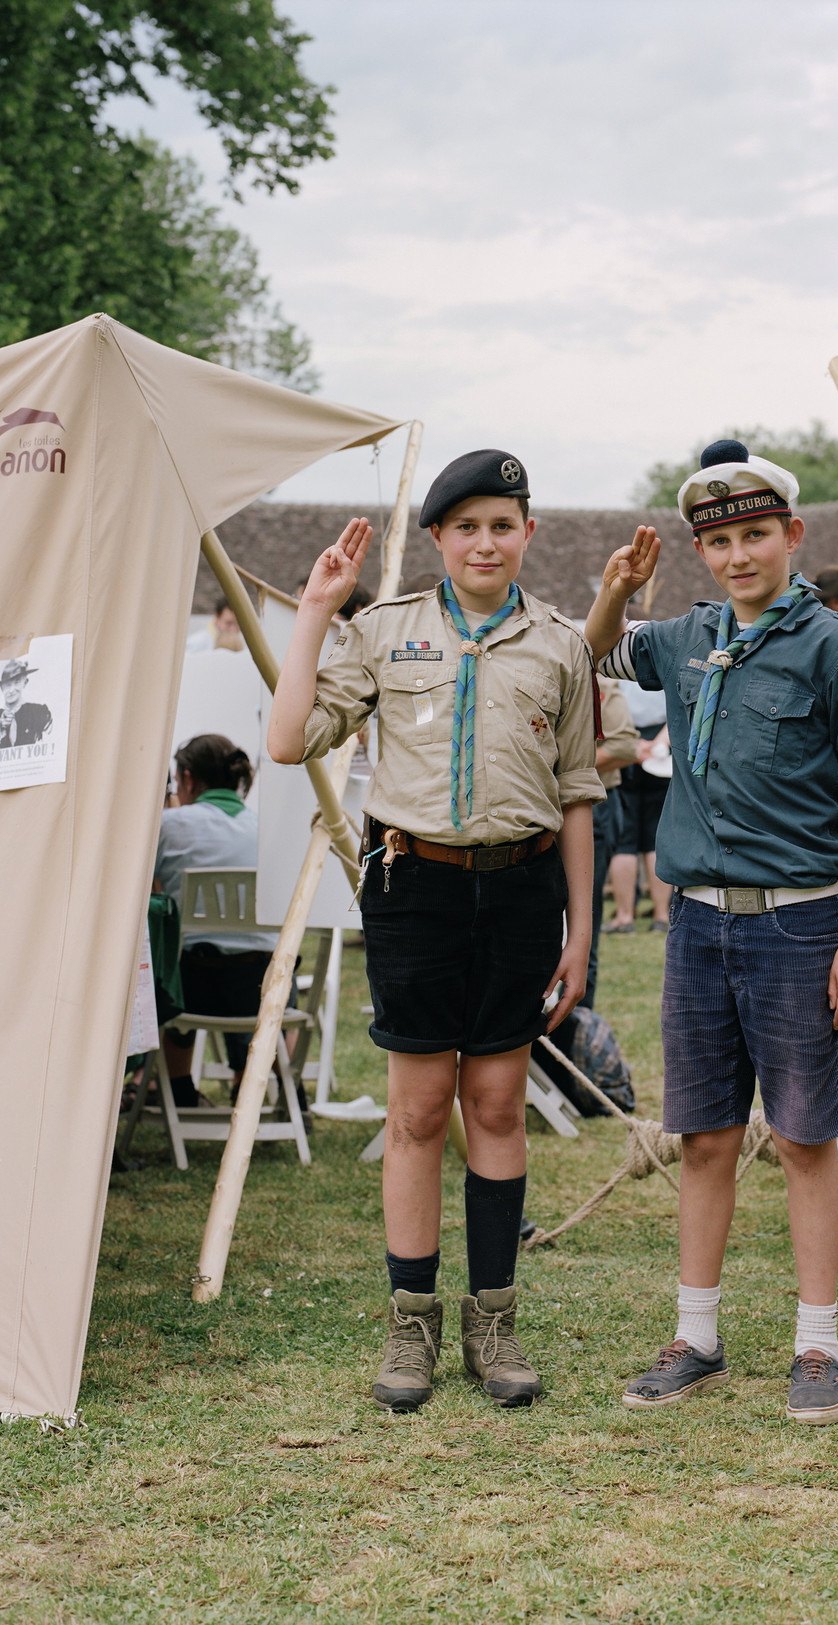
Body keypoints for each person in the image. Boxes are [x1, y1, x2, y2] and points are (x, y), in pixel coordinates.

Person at [267, 449, 603, 1416]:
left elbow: (578, 795)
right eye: (466, 527)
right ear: (439, 540)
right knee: (417, 1112)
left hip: (524, 890)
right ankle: (409, 1324)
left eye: (504, 523)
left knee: (496, 1105)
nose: (486, 541)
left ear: (529, 532)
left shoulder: (561, 645)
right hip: (416, 887)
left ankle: (493, 1323)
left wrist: (581, 928)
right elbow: (290, 740)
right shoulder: (383, 632)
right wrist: (314, 613)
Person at [586, 438, 838, 1427]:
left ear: (792, 536)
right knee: (704, 1135)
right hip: (695, 927)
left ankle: (818, 1346)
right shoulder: (685, 636)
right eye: (717, 540)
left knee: (806, 1137)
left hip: (801, 925)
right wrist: (614, 589)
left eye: (755, 534)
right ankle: (699, 1336)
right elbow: (596, 651)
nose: (737, 555)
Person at [154, 733, 285, 1109]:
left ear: (188, 779)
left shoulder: (168, 826)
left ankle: (177, 1091)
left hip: (189, 994)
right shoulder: (266, 830)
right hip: (260, 994)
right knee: (253, 961)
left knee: (167, 967)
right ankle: (257, 1089)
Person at [584, 677, 639, 1005]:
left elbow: (622, 747)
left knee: (582, 925)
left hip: (594, 809)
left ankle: (576, 1029)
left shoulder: (598, 682)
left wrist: (557, 766)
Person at [605, 683, 672, 934]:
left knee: (625, 838)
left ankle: (624, 917)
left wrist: (636, 747)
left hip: (626, 744)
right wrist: (658, 744)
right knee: (656, 835)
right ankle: (661, 915)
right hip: (663, 744)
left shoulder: (618, 663)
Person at [0, 657, 51, 749]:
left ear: (25, 683)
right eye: (7, 684)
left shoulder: (39, 712)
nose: (11, 690)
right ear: (1, 687)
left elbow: (53, 742)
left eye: (17, 682)